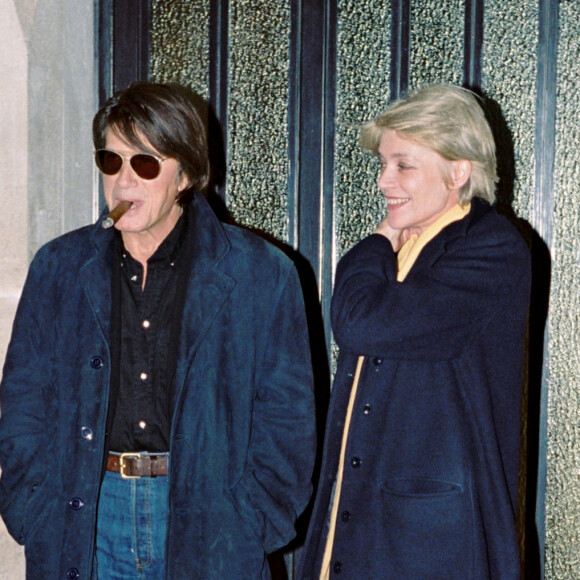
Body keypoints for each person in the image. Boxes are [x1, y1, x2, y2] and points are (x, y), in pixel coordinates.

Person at [0, 81, 316, 579]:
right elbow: (22, 402)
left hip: (209, 523)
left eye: (145, 164)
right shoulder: (59, 268)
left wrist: (249, 521)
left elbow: (288, 424)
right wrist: (33, 509)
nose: (124, 183)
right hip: (85, 516)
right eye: (112, 161)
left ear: (186, 174)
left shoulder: (263, 274)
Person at [299, 84, 531, 579]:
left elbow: (360, 322)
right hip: (361, 523)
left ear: (459, 170)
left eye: (403, 165)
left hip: (431, 545)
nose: (384, 182)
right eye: (383, 164)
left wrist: (376, 241)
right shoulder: (415, 243)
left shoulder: (491, 252)